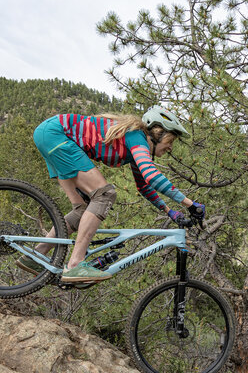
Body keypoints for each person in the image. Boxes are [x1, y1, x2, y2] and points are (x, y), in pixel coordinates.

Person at [20, 106, 205, 283]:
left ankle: (35, 255)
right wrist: (190, 204)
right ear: (157, 133)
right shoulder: (138, 137)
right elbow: (152, 176)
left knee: (81, 210)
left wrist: (169, 211)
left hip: (50, 134)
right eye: (170, 141)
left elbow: (144, 186)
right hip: (56, 135)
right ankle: (75, 264)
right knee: (105, 194)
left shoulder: (135, 146)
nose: (171, 147)